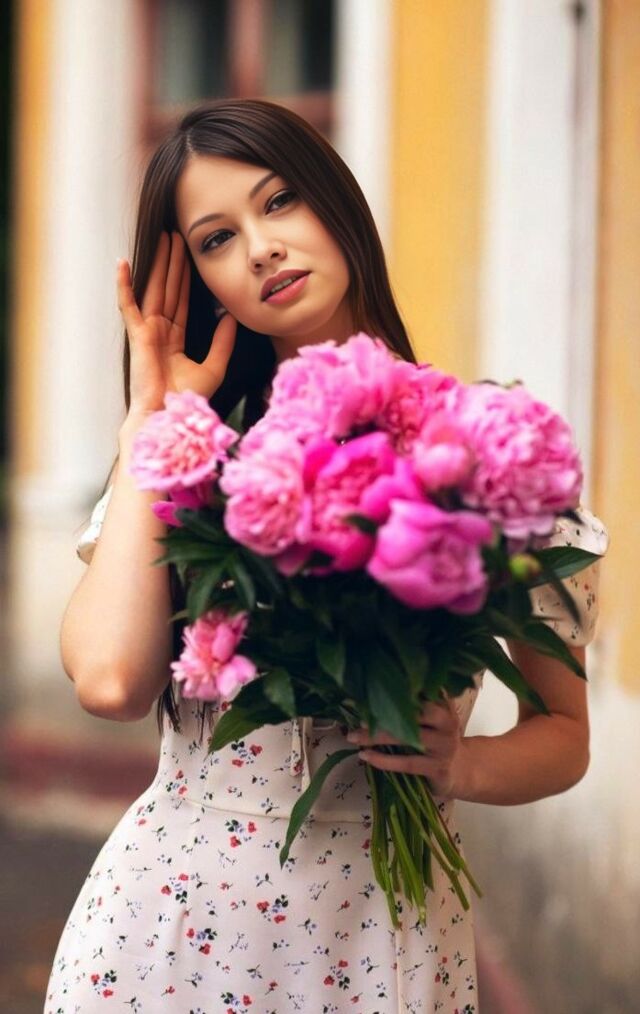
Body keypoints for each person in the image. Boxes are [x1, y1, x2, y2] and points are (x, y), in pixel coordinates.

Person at [45, 99, 608, 1013]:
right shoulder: (196, 458)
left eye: (280, 202)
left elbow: (564, 734)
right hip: (173, 931)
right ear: (199, 283)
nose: (262, 249)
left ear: (336, 201)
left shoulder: (486, 450)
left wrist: (458, 766)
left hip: (380, 938)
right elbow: (110, 681)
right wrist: (152, 418)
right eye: (218, 239)